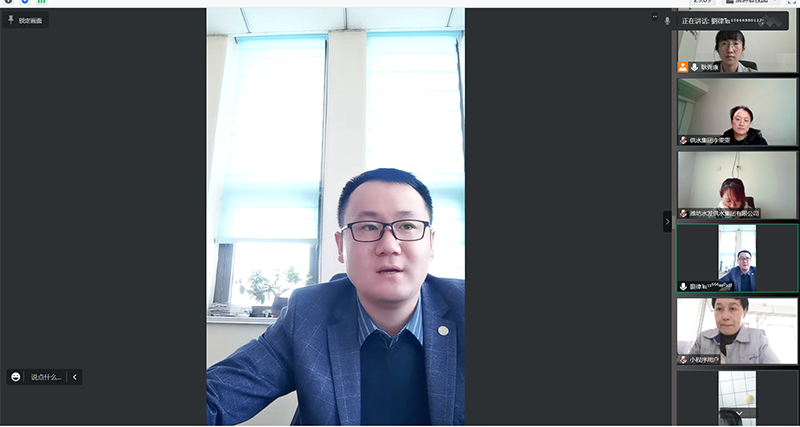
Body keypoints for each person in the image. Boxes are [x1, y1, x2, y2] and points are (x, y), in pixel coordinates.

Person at [206, 168, 465, 426]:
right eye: (368, 227)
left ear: (431, 243)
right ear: (341, 246)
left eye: (407, 226)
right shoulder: (308, 314)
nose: (389, 246)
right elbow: (218, 394)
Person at [688, 298, 779, 364]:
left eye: (733, 309)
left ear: (744, 313)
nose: (725, 317)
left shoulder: (758, 339)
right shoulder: (703, 339)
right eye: (719, 309)